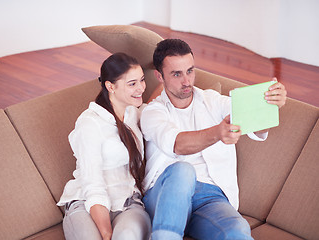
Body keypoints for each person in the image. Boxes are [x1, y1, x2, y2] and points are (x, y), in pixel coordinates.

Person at [140, 39, 287, 240]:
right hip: (165, 193)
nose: (186, 81)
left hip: (209, 198)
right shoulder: (152, 113)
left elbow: (251, 119)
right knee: (183, 170)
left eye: (190, 71)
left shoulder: (212, 100)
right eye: (177, 74)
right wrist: (217, 133)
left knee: (238, 231)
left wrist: (271, 102)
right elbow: (178, 144)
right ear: (159, 76)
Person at [57, 52, 151, 240]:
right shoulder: (90, 123)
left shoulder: (135, 113)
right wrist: (106, 234)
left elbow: (161, 107)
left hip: (128, 203)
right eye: (132, 84)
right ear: (110, 86)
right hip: (87, 203)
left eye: (142, 80)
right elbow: (93, 184)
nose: (141, 88)